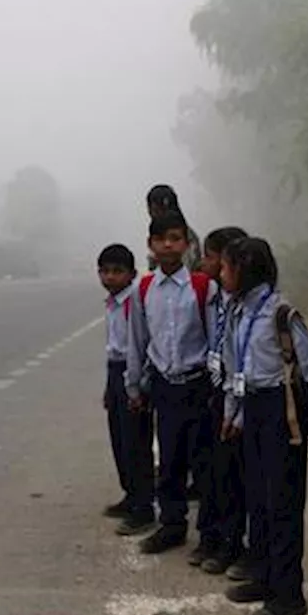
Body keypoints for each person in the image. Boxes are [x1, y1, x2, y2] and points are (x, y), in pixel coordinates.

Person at [219, 237, 308, 615]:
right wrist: (232, 413)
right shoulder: (237, 312)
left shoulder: (280, 313)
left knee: (282, 503)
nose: (221, 274)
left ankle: (289, 594)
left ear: (245, 269)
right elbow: (234, 369)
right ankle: (263, 577)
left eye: (227, 267)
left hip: (283, 413)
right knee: (257, 500)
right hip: (252, 409)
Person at [125, 212, 220, 554]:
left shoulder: (202, 286)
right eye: (161, 238)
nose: (168, 244)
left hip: (199, 384)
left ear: (186, 244)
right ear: (150, 244)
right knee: (169, 458)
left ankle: (210, 534)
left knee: (204, 461)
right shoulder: (143, 288)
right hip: (164, 386)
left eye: (175, 238)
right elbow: (137, 340)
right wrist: (133, 386)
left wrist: (216, 386)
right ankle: (172, 524)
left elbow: (214, 337)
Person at [192, 226, 251, 575]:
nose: (204, 262)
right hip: (214, 390)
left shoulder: (245, 306)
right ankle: (210, 536)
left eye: (212, 257)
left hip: (237, 397)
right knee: (209, 469)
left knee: (233, 476)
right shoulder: (214, 296)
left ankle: (234, 544)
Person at [98, 244, 156, 536]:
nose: (110, 277)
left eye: (117, 271)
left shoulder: (135, 300)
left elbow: (139, 345)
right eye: (105, 271)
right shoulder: (111, 302)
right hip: (115, 371)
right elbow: (113, 346)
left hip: (133, 371)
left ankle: (144, 507)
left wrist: (137, 386)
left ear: (131, 274)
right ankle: (130, 494)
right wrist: (110, 387)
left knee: (136, 442)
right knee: (119, 439)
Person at [145, 184, 202, 272]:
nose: (154, 215)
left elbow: (188, 268)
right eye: (152, 210)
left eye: (157, 210)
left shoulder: (187, 235)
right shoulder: (155, 234)